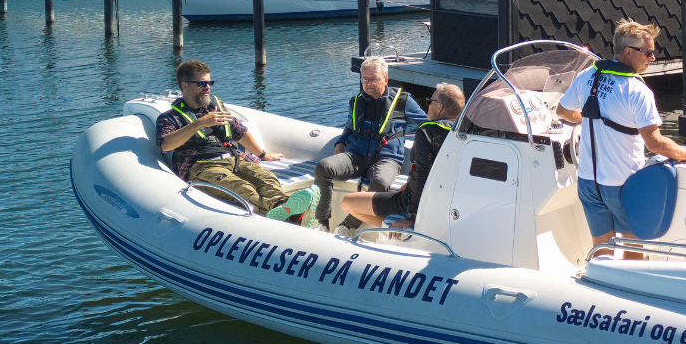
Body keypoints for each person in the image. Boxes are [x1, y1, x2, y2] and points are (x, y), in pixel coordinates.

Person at [557, 19, 686, 249]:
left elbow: (563, 111)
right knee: (633, 246)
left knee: (601, 246)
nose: (653, 58)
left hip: (588, 183)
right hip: (623, 183)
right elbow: (655, 143)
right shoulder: (638, 91)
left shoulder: (587, 77)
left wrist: (591, 117)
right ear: (628, 52)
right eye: (648, 53)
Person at [157, 59, 316, 221]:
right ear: (185, 86)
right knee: (243, 188)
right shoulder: (170, 118)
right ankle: (288, 216)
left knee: (266, 178)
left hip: (235, 159)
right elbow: (165, 145)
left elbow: (240, 132)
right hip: (203, 167)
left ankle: (286, 210)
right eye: (201, 83)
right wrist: (199, 123)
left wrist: (263, 155)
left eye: (209, 82)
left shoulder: (216, 108)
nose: (208, 88)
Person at [312, 56, 426, 230]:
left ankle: (348, 225)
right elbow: (349, 129)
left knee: (381, 182)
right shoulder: (356, 101)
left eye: (374, 79)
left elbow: (426, 125)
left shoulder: (403, 101)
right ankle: (322, 222)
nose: (369, 84)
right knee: (323, 166)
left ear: (385, 80)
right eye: (365, 79)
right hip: (356, 155)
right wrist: (340, 142)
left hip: (387, 158)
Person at [340, 83, 463, 233]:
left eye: (430, 102)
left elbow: (422, 173)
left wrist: (409, 216)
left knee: (347, 202)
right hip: (443, 200)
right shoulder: (461, 133)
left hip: (413, 201)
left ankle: (406, 233)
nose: (428, 105)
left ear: (439, 107)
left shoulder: (427, 132)